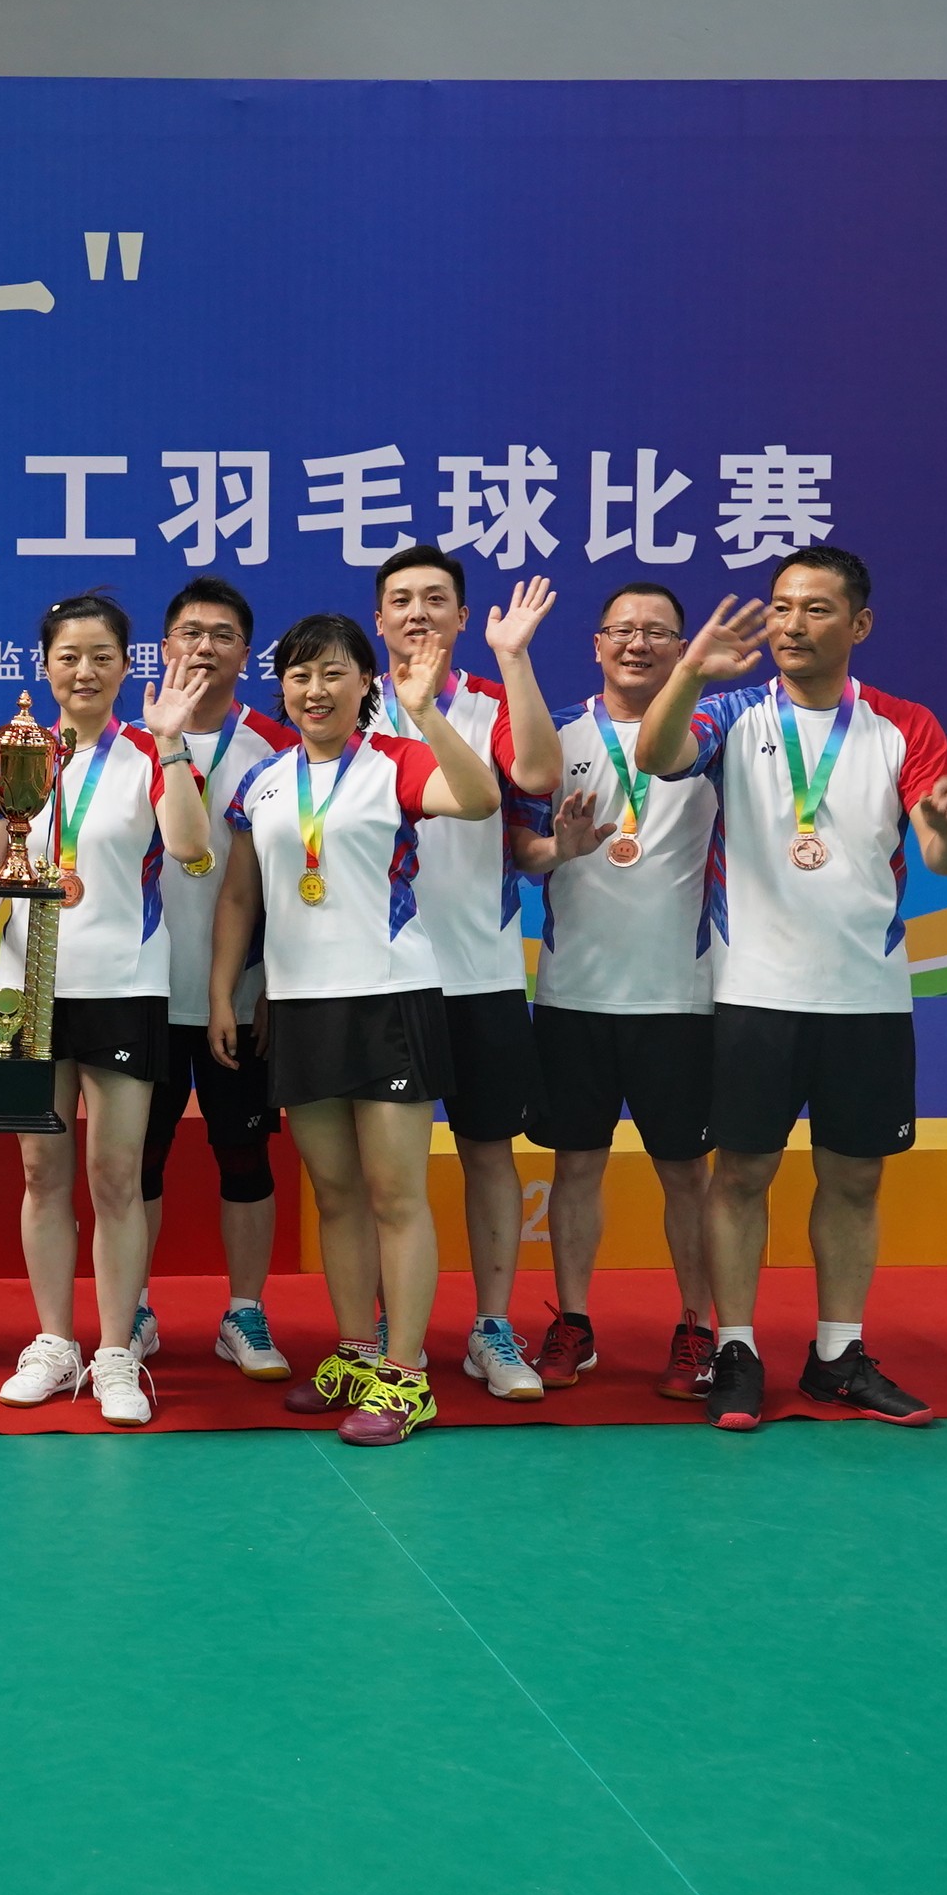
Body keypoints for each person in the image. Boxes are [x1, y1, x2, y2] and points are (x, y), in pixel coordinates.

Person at [636, 546, 947, 1434]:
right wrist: (689, 671)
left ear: (859, 624)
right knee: (741, 1175)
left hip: (868, 995)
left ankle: (837, 1355)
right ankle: (736, 1349)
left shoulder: (903, 725)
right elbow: (657, 752)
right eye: (782, 607)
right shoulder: (730, 713)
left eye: (816, 609)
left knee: (854, 1179)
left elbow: (943, 853)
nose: (792, 624)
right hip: (753, 992)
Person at [208, 615, 504, 1446]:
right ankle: (355, 1351)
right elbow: (241, 896)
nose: (315, 690)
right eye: (301, 675)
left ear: (367, 683)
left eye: (334, 673)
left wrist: (428, 711)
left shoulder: (398, 761)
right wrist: (223, 991)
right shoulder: (263, 781)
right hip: (301, 1006)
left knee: (394, 1195)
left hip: (389, 1001)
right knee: (335, 1194)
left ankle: (406, 1376)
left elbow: (480, 799)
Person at [0, 595, 219, 1425]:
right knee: (41, 1175)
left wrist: (172, 741)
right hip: (27, 988)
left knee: (116, 1178)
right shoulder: (14, 753)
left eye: (101, 657)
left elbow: (190, 848)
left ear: (126, 665)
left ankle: (117, 1351)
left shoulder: (151, 753)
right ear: (44, 666)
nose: (83, 672)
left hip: (123, 987)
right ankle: (55, 1341)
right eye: (68, 657)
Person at [509, 581, 724, 1398]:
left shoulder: (712, 737)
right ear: (596, 644)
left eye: (658, 632)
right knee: (574, 1168)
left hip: (682, 998)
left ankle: (698, 1330)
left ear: (682, 649)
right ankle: (572, 1322)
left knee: (687, 1175)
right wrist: (557, 850)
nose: (639, 644)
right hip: (575, 994)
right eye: (623, 631)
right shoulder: (557, 736)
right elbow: (521, 850)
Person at [366, 546, 565, 1403]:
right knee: (386, 1175)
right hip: (376, 978)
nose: (417, 613)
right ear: (379, 619)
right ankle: (390, 1329)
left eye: (435, 599)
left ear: (462, 617)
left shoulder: (493, 702)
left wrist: (514, 658)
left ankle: (492, 1326)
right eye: (401, 600)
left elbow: (539, 775)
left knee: (488, 1152)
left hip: (480, 974)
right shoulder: (346, 706)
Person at [142, 576, 299, 1383]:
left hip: (240, 994)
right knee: (138, 1160)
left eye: (223, 636)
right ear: (163, 647)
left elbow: (292, 877)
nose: (204, 647)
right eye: (190, 633)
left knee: (244, 1156)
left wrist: (271, 983)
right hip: (139, 992)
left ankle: (244, 1310)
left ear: (247, 655)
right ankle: (131, 1308)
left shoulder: (278, 746)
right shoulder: (127, 742)